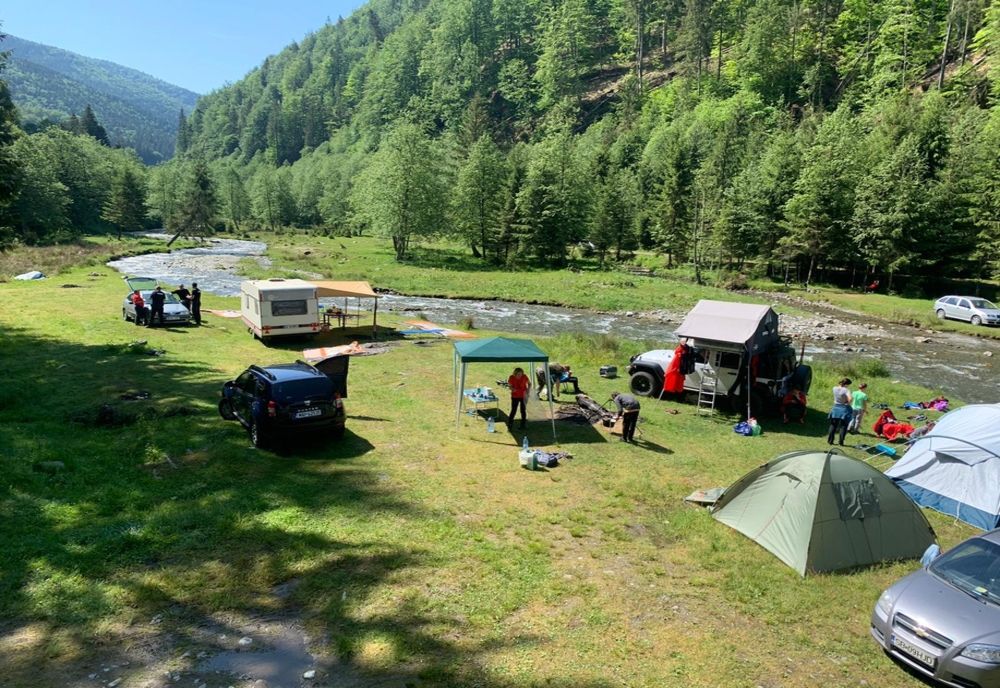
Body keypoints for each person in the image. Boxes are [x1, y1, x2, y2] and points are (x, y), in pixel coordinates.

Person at [827, 377, 853, 446]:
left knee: (833, 425)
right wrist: (846, 402)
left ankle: (830, 441)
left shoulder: (834, 388)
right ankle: (841, 442)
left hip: (835, 407)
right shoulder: (846, 390)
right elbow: (850, 399)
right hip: (843, 408)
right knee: (843, 426)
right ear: (846, 384)